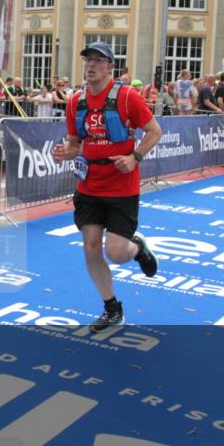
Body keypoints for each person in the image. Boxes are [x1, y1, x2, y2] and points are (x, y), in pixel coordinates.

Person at [51, 41, 162, 330]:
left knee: (116, 252)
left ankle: (137, 248)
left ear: (111, 66)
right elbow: (75, 143)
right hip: (89, 186)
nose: (91, 65)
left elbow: (154, 131)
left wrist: (135, 157)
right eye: (88, 59)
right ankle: (112, 308)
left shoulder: (127, 97)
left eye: (99, 60)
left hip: (122, 187)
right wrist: (65, 152)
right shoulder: (76, 101)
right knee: (90, 248)